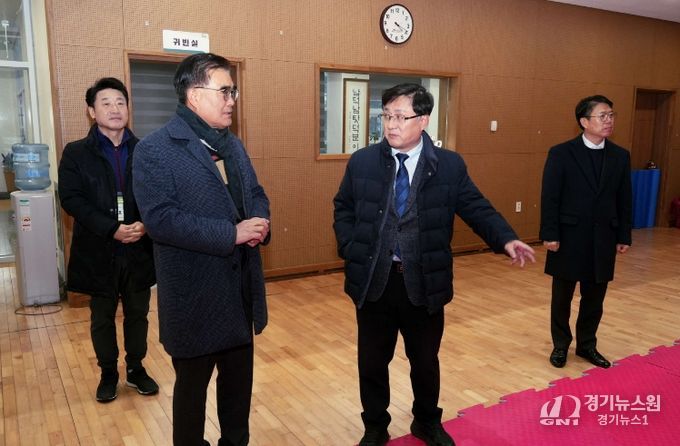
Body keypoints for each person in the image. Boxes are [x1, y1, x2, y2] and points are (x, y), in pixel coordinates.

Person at [333, 83, 535, 446]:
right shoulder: (363, 161)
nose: (391, 124)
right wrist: (350, 247)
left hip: (424, 281)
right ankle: (375, 425)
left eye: (400, 117)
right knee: (372, 362)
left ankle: (426, 421)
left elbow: (476, 207)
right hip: (375, 281)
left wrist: (506, 238)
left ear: (423, 120)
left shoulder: (448, 165)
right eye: (386, 116)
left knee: (425, 361)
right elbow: (343, 207)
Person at [132, 53, 270, 446]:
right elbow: (161, 219)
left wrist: (260, 221)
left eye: (233, 91)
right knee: (191, 396)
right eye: (224, 91)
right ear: (194, 95)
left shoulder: (232, 145)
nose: (232, 100)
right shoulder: (156, 149)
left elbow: (255, 193)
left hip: (239, 294)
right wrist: (231, 234)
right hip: (195, 296)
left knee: (238, 394)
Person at [58, 77, 158, 403]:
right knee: (101, 317)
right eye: (106, 103)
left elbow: (159, 193)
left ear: (128, 108)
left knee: (138, 313)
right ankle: (108, 374)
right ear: (91, 111)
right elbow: (71, 199)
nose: (115, 109)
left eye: (120, 102)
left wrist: (146, 223)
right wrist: (111, 227)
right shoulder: (76, 153)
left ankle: (136, 369)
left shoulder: (146, 150)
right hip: (98, 249)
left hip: (139, 247)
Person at [540, 95, 632, 370]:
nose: (609, 121)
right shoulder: (561, 153)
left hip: (603, 237)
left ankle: (587, 345)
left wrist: (624, 235)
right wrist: (550, 233)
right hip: (569, 236)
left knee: (595, 297)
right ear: (584, 121)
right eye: (602, 116)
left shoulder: (620, 155)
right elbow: (550, 197)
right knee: (562, 296)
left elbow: (624, 198)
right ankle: (560, 345)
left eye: (611, 115)